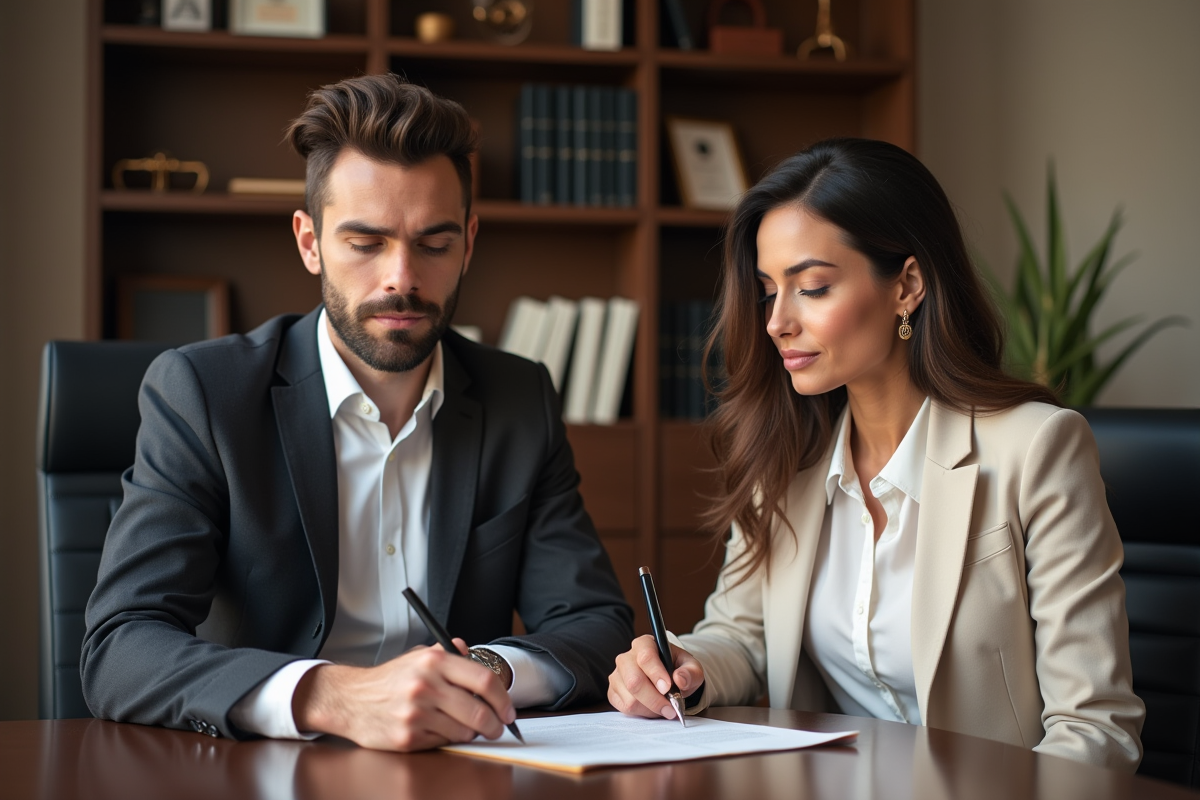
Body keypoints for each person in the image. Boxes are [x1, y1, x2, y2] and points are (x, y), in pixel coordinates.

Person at [82, 73, 632, 752]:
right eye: (366, 243)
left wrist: (486, 672)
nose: (401, 277)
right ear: (309, 241)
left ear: (469, 242)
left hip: (457, 770)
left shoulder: (520, 398)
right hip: (265, 769)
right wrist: (332, 697)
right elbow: (120, 647)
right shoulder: (203, 393)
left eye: (434, 244)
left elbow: (595, 625)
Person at [607, 138, 1145, 770]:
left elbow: (1094, 727)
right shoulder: (788, 457)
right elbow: (743, 636)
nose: (777, 321)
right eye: (768, 290)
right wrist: (681, 665)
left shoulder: (1037, 448)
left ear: (907, 286)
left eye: (812, 287)